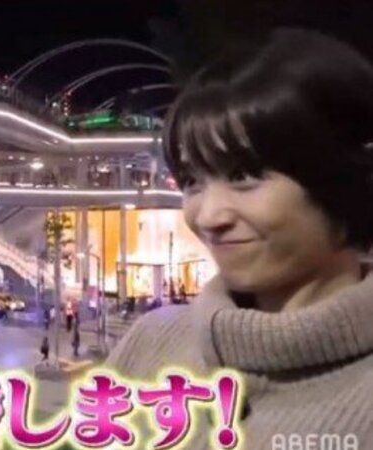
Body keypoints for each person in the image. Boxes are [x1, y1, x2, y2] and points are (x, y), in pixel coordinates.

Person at [106, 29, 373, 447]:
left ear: (346, 178)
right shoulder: (153, 341)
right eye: (191, 181)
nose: (208, 216)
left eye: (244, 176)